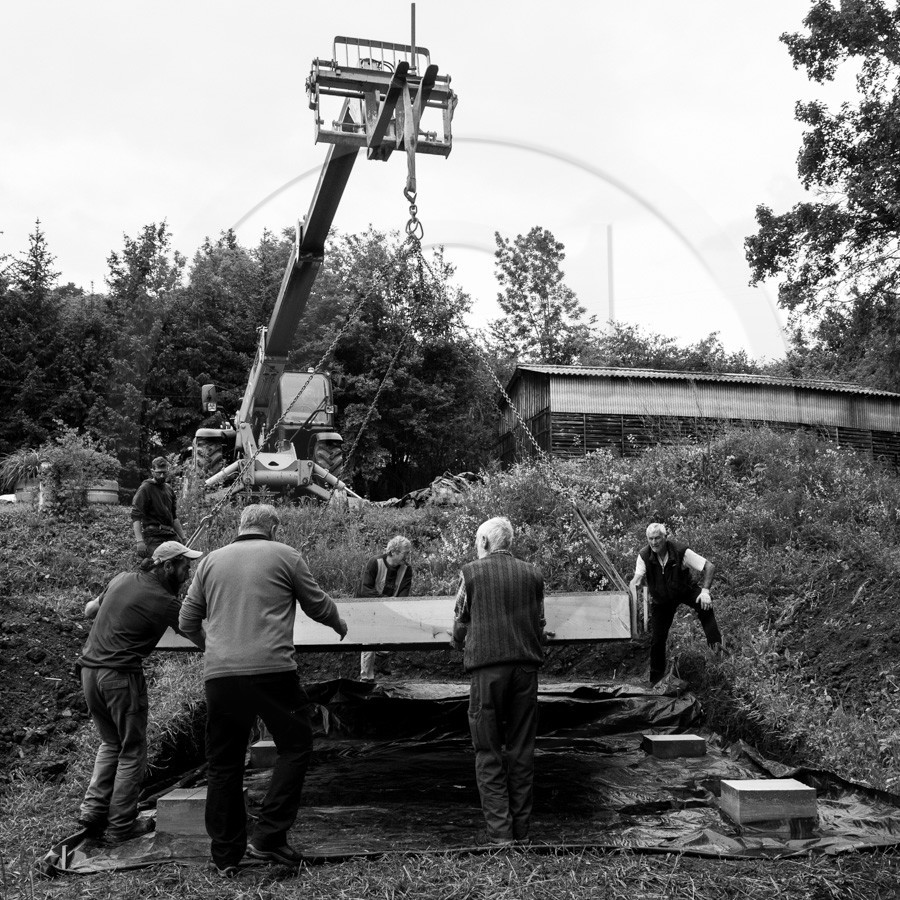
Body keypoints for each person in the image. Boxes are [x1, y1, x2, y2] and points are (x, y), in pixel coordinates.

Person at [179, 503, 348, 876]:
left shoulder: (209, 562)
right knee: (296, 745)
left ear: (241, 526)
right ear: (273, 529)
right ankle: (269, 835)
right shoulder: (285, 555)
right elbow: (317, 605)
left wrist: (212, 649)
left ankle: (226, 857)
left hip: (221, 678)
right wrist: (339, 623)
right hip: (273, 673)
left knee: (224, 763)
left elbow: (187, 620)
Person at [78, 540, 204, 842]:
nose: (188, 573)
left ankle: (93, 811)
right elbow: (199, 635)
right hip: (120, 677)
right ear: (168, 566)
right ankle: (121, 825)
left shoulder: (121, 578)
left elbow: (89, 610)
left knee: (111, 743)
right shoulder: (166, 603)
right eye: (185, 566)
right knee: (132, 750)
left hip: (89, 673)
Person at [451, 516, 545, 846]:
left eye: (477, 541)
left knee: (488, 750)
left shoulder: (471, 573)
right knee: (521, 750)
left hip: (488, 671)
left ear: (485, 542)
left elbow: (461, 620)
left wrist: (458, 640)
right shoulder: (533, 574)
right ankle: (521, 832)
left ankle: (500, 834)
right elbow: (540, 622)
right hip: (525, 671)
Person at [629, 522, 721, 685]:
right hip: (662, 599)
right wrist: (635, 583)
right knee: (657, 639)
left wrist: (705, 591)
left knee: (705, 606)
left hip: (684, 589)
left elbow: (709, 566)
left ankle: (717, 654)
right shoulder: (644, 555)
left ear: (665, 537)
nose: (654, 542)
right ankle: (655, 680)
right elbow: (637, 577)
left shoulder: (680, 551)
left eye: (657, 538)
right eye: (651, 539)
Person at [358, 535, 413, 681]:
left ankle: (382, 657)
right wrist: (386, 600)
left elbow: (403, 595)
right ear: (393, 552)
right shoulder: (375, 562)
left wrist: (393, 606)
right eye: (405, 553)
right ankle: (366, 678)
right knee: (369, 640)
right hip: (370, 607)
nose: (407, 557)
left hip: (391, 610)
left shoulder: (406, 569)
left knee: (395, 634)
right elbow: (365, 590)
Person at [131, 457, 186, 557]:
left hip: (170, 535)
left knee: (182, 560)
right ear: (152, 471)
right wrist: (140, 541)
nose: (162, 475)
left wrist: (183, 537)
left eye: (164, 473)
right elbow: (136, 516)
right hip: (153, 536)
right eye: (159, 472)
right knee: (159, 563)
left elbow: (174, 517)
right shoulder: (145, 488)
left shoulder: (169, 489)